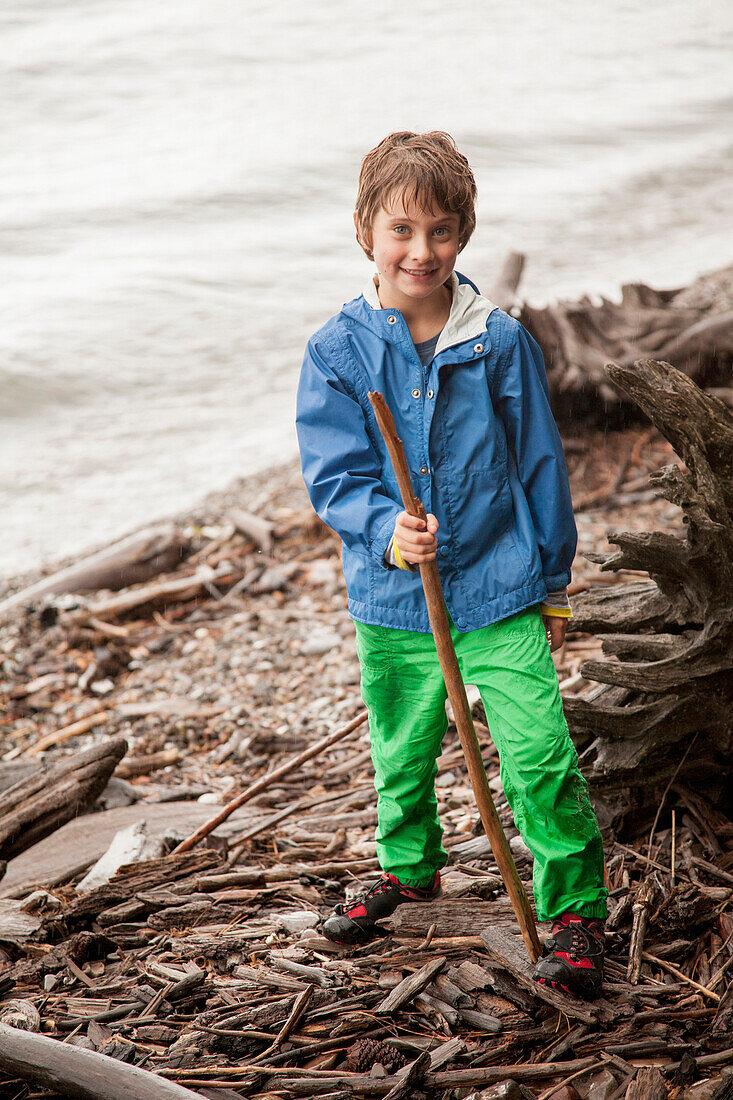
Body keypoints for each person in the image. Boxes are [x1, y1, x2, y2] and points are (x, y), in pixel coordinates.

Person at [295, 131, 607, 1000]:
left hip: (500, 585)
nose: (420, 251)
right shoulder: (339, 351)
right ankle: (407, 867)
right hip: (394, 599)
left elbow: (540, 462)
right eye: (400, 230)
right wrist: (385, 527)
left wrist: (549, 578)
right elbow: (332, 475)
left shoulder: (496, 342)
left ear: (463, 234)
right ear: (365, 231)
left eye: (438, 231)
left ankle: (575, 911)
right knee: (402, 747)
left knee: (538, 748)